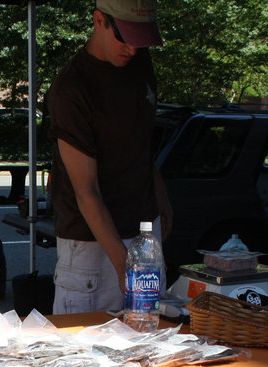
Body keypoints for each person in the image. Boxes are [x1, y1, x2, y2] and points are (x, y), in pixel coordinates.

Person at [45, 0, 173, 315]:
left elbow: (140, 145)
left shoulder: (139, 59)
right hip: (91, 245)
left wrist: (162, 205)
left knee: (149, 344)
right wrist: (122, 264)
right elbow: (85, 190)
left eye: (141, 39)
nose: (132, 49)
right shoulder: (72, 89)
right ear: (99, 20)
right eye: (125, 37)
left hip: (144, 235)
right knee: (86, 354)